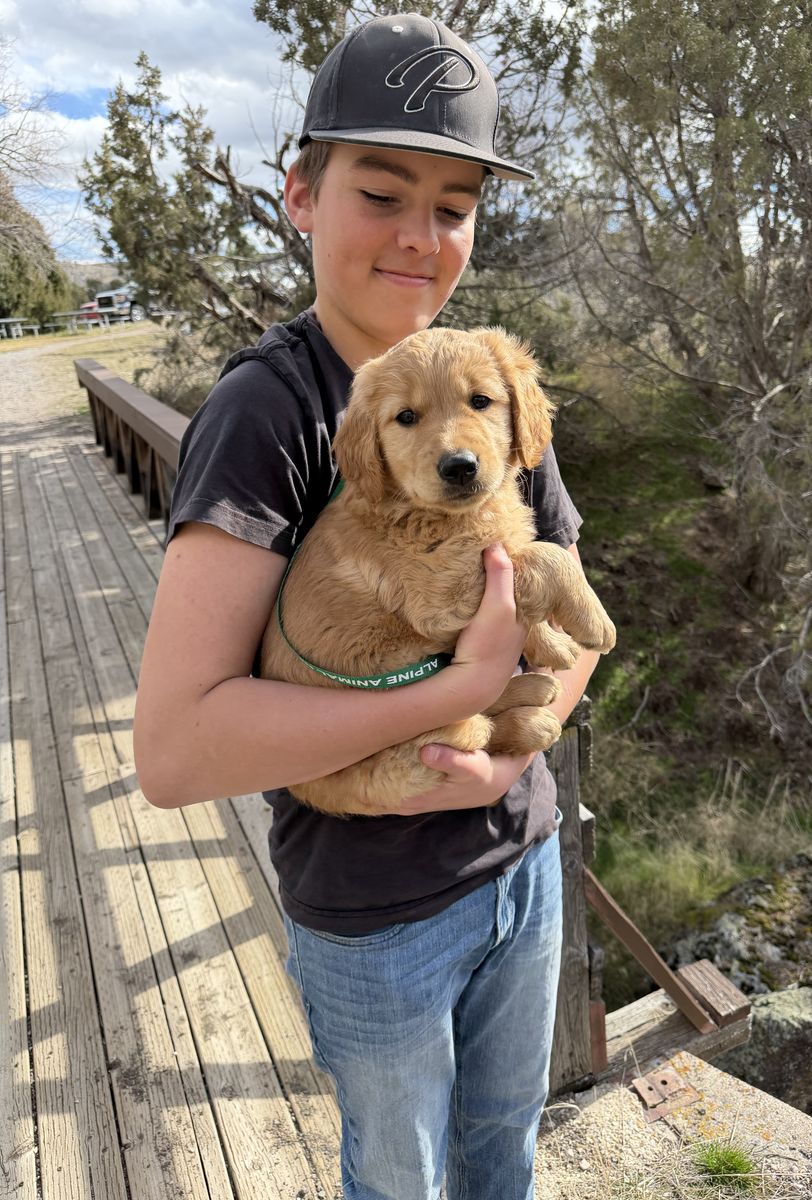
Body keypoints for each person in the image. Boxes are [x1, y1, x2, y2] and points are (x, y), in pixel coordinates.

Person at [134, 13, 603, 1200]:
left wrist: (516, 750)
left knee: (506, 1150)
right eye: (382, 192)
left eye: (453, 206)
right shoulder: (269, 413)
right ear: (300, 193)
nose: (420, 236)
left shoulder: (488, 392)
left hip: (526, 855)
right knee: (401, 1179)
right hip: (378, 911)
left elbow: (574, 604)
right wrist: (456, 691)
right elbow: (178, 749)